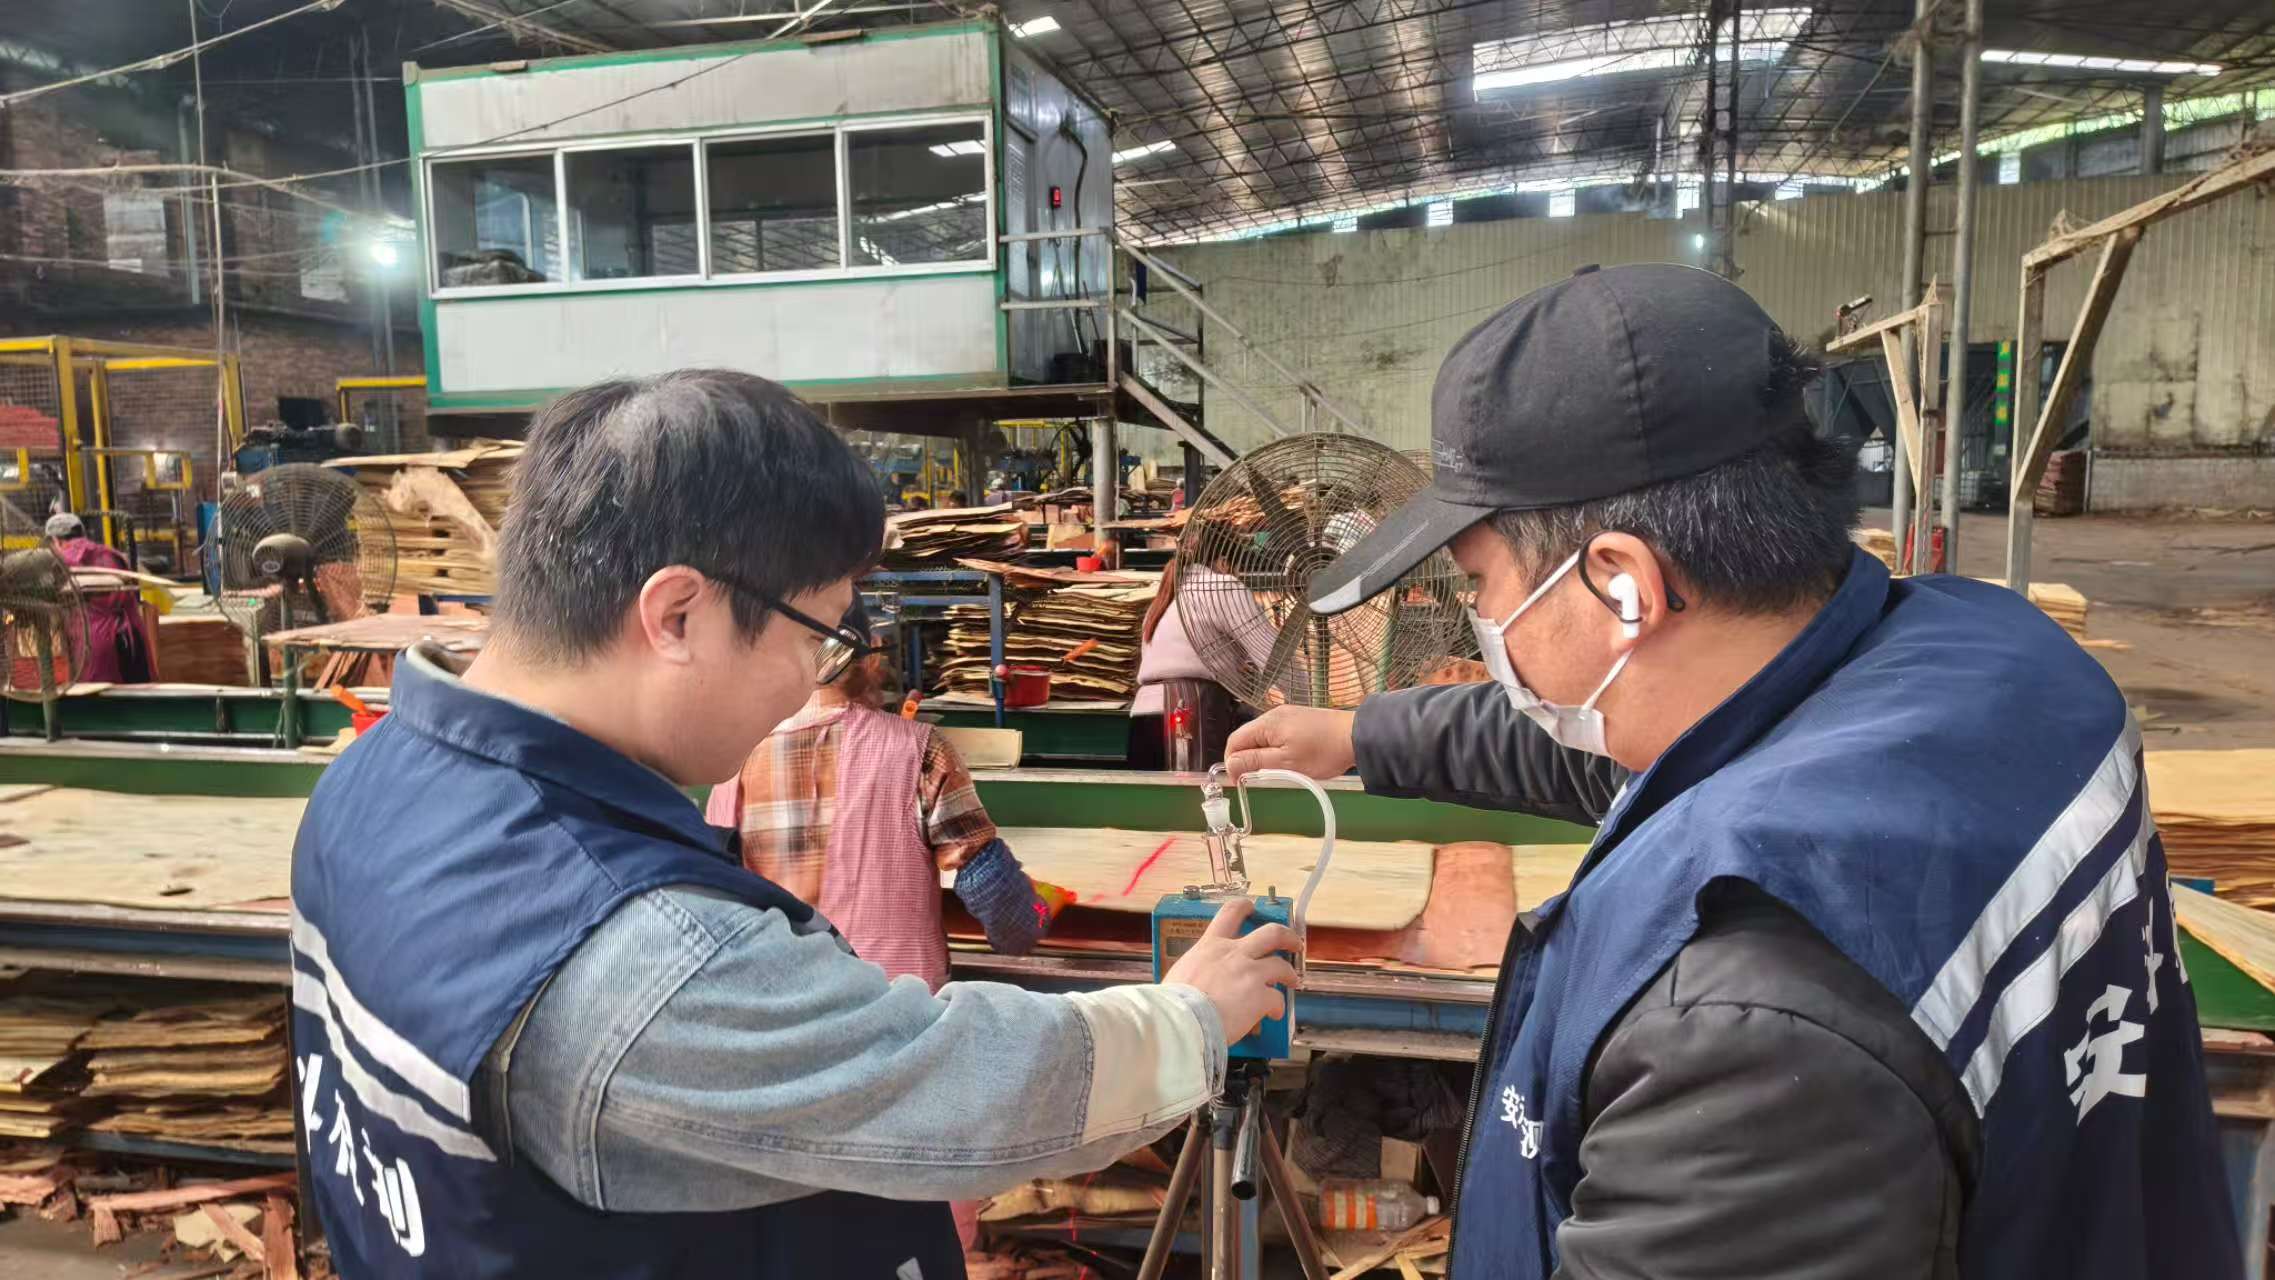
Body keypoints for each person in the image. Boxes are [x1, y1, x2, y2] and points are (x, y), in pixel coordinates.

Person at [1226, 263, 2236, 1278]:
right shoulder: (1993, 664)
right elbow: (1632, 750)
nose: (1480, 621)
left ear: (1623, 585)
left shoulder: (1744, 1030)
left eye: (1480, 584)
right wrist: (1364, 735)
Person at [288, 369, 1298, 1280]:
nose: (811, 675)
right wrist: (1188, 1018)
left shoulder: (368, 782)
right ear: (677, 614)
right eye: (819, 631)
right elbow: (951, 1087)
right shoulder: (642, 956)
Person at [703, 616, 1064, 1251]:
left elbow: (716, 900)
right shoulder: (919, 749)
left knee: (809, 1230)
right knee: (915, 1226)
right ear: (870, 658)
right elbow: (1000, 907)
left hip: (784, 1037)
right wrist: (1038, 915)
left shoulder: (735, 762)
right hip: (902, 1035)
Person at [45, 513, 153, 683]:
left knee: (100, 696)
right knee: (139, 695)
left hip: (95, 645)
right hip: (133, 638)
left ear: (56, 541)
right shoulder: (112, 554)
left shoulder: (59, 563)